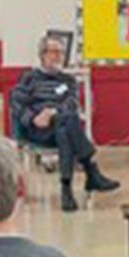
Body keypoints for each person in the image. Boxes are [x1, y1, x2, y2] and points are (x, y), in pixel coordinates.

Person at [10, 35, 120, 212]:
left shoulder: (68, 80)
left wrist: (53, 112)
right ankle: (90, 170)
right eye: (54, 52)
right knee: (68, 124)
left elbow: (72, 104)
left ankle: (67, 190)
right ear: (43, 55)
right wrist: (34, 118)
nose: (58, 57)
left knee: (64, 128)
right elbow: (16, 103)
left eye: (61, 53)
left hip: (59, 128)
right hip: (38, 130)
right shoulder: (29, 78)